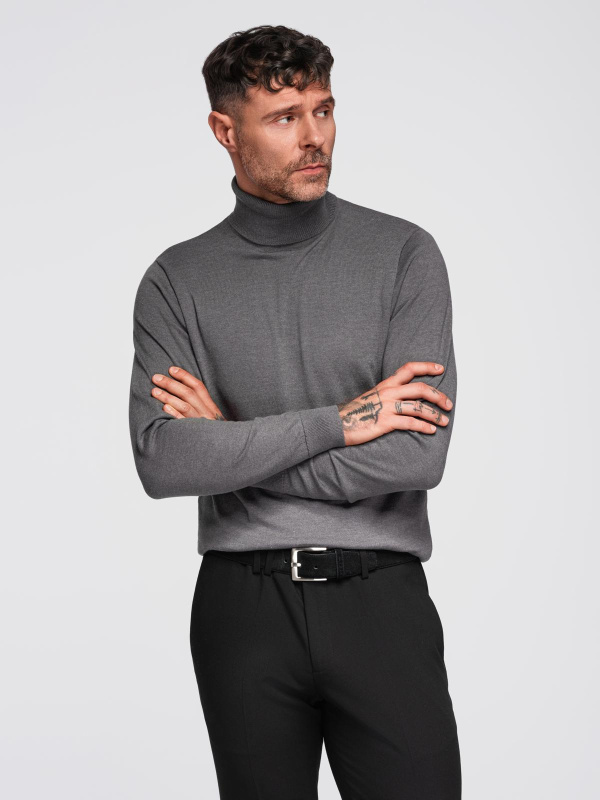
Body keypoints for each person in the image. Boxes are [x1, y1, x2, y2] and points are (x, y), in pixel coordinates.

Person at [128, 23, 461, 800]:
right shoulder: (178, 281)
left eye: (324, 109)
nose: (315, 137)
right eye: (284, 117)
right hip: (242, 610)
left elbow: (415, 456)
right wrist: (339, 422)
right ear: (225, 131)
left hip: (380, 599)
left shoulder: (404, 255)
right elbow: (165, 461)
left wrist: (231, 446)